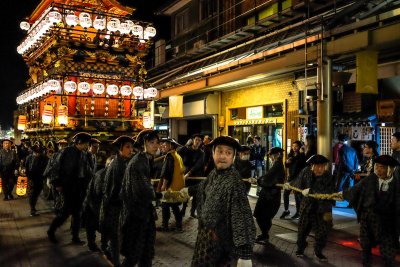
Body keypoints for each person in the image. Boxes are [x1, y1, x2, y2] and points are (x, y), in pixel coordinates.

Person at [183, 136, 256, 267]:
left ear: (233, 157)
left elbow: (242, 218)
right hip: (205, 239)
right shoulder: (214, 174)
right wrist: (184, 192)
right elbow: (202, 186)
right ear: (213, 153)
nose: (223, 156)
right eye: (220, 151)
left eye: (228, 153)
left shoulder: (234, 182)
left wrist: (245, 255)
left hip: (221, 243)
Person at [341, 155, 400, 267]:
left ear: (390, 169)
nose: (378, 170)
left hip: (387, 223)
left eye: (382, 167)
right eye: (376, 166)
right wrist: (341, 194)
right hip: (368, 218)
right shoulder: (371, 178)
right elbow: (355, 190)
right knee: (366, 247)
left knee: (388, 252)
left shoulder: (397, 184)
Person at [119, 130, 160, 267]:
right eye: (151, 142)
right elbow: (142, 189)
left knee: (146, 253)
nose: (156, 146)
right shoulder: (139, 162)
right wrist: (160, 195)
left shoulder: (145, 160)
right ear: (144, 144)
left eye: (157, 143)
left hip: (143, 214)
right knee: (135, 254)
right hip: (136, 215)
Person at [286, 154, 335, 261]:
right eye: (317, 166)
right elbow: (297, 185)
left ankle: (318, 251)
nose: (320, 169)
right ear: (311, 166)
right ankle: (301, 247)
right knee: (302, 230)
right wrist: (290, 185)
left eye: (322, 166)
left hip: (323, 208)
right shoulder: (305, 172)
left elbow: (331, 192)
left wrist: (313, 192)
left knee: (323, 232)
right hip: (307, 206)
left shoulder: (328, 176)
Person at [47, 132, 92, 244]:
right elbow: (56, 167)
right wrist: (57, 183)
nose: (87, 146)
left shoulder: (84, 154)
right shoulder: (66, 151)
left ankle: (75, 237)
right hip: (68, 187)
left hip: (79, 187)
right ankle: (51, 231)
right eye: (86, 143)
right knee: (65, 212)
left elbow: (86, 171)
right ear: (80, 142)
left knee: (77, 213)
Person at [100, 135, 134, 264]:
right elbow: (113, 189)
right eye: (127, 147)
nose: (131, 150)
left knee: (119, 235)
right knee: (116, 236)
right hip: (114, 206)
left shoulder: (124, 162)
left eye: (131, 147)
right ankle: (115, 261)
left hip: (119, 205)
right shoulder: (117, 164)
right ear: (120, 149)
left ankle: (110, 252)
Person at [83, 155, 115, 253]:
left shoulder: (113, 175)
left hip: (102, 205)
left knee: (106, 226)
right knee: (91, 226)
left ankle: (104, 245)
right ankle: (91, 244)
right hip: (92, 204)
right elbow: (98, 194)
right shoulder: (101, 176)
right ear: (108, 165)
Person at [254, 147, 285, 243]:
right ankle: (264, 234)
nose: (271, 157)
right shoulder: (277, 165)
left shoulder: (278, 165)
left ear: (277, 155)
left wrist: (260, 180)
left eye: (272, 155)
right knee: (262, 215)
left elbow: (268, 178)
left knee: (262, 216)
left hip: (270, 196)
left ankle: (264, 234)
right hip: (269, 195)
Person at [157, 138, 185, 232]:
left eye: (165, 145)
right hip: (178, 186)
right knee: (174, 206)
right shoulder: (177, 155)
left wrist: (163, 185)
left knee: (165, 205)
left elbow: (167, 172)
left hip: (171, 187)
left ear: (171, 146)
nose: (163, 147)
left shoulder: (169, 156)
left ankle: (165, 226)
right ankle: (178, 226)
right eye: (163, 145)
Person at [179, 134, 205, 218]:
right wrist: (186, 145)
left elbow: (198, 165)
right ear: (193, 140)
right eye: (196, 139)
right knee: (186, 193)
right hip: (187, 176)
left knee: (196, 195)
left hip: (196, 175)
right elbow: (178, 152)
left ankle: (192, 212)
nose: (198, 142)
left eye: (200, 140)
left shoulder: (201, 153)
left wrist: (189, 172)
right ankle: (183, 209)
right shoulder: (187, 149)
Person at [281, 141, 306, 219]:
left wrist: (294, 158)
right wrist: (287, 162)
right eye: (293, 146)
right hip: (291, 177)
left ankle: (298, 212)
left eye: (296, 146)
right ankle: (286, 210)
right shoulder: (290, 154)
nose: (294, 148)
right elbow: (287, 165)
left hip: (298, 177)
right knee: (286, 193)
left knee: (296, 195)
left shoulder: (301, 155)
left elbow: (302, 163)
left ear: (299, 147)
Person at [25, 145, 48, 216]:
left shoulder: (44, 158)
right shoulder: (29, 157)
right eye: (35, 152)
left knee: (36, 194)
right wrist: (28, 176)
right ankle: (32, 208)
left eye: (38, 153)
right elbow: (26, 167)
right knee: (32, 194)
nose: (37, 154)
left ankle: (33, 206)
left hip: (40, 178)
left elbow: (46, 168)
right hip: (31, 178)